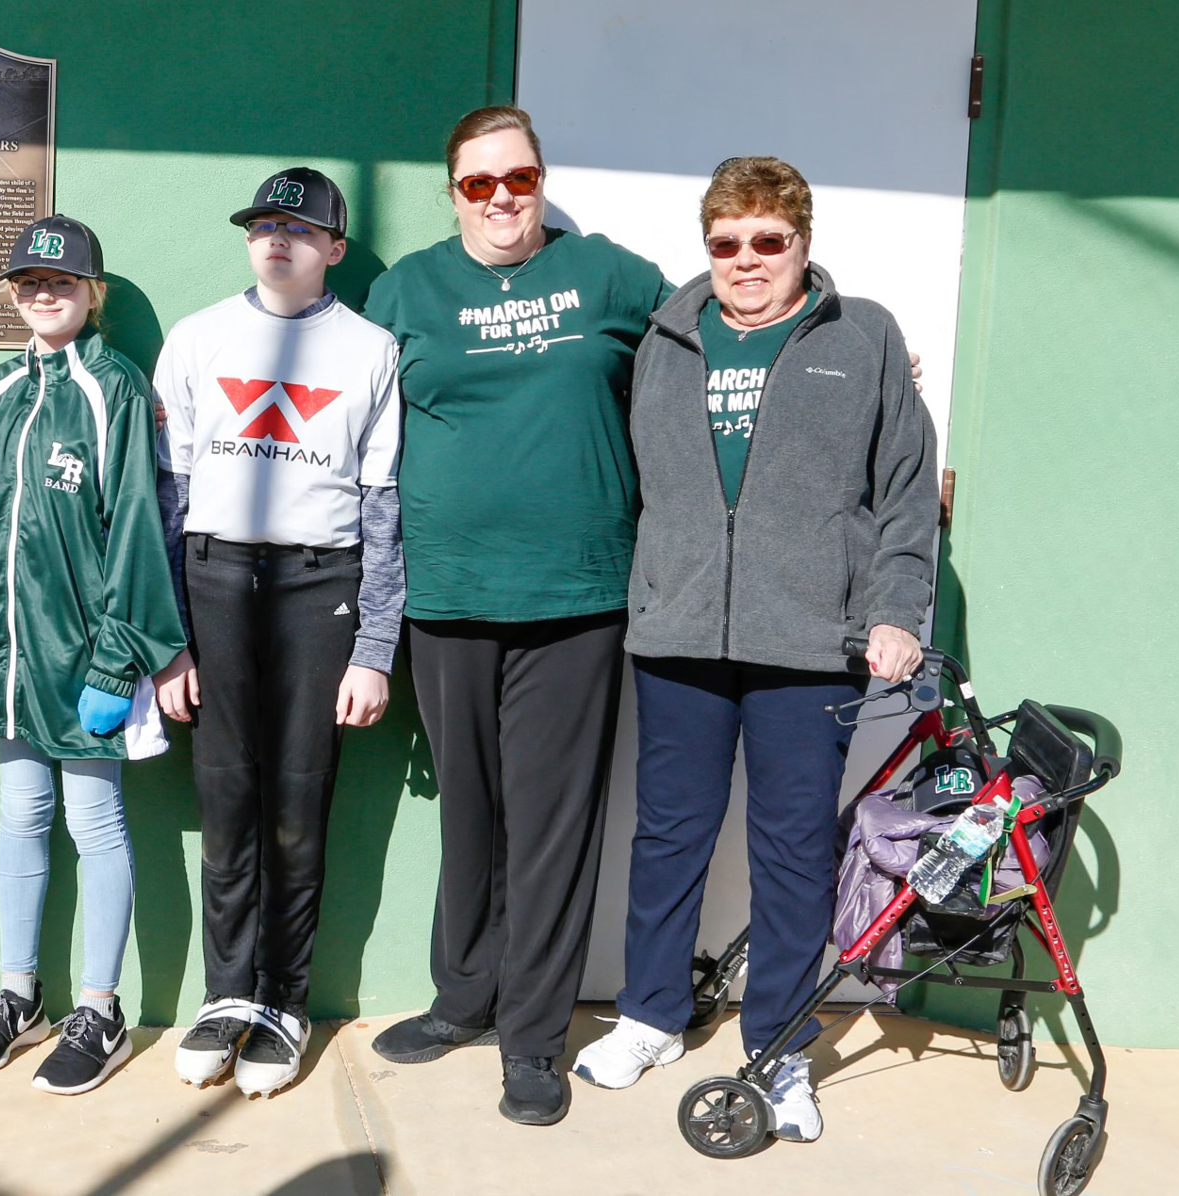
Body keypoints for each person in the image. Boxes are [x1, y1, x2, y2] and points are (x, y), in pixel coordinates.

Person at [572, 156, 936, 1143]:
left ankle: (776, 1046)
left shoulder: (858, 336)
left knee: (788, 853)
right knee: (666, 834)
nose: (744, 260)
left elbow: (902, 494)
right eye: (724, 242)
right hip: (679, 633)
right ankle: (648, 1010)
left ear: (801, 243)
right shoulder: (663, 338)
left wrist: (897, 610)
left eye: (766, 240)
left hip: (807, 641)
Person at [360, 106, 672, 1127]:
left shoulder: (608, 277)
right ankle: (463, 998)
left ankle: (532, 1037)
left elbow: (717, 340)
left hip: (573, 598)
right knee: (469, 813)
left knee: (549, 828)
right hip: (445, 596)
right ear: (451, 192)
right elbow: (351, 414)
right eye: (477, 183)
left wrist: (837, 346)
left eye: (518, 177)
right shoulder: (404, 288)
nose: (500, 198)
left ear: (540, 179)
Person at [149, 168, 404, 1097]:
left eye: (299, 227)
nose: (276, 238)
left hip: (317, 583)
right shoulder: (196, 337)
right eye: (263, 223)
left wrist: (374, 649)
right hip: (215, 581)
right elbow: (165, 501)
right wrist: (169, 640)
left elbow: (383, 509)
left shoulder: (371, 350)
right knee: (225, 799)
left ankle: (284, 1002)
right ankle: (225, 997)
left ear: (334, 247)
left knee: (298, 804)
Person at [0, 215, 187, 1095]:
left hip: (85, 655)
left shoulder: (114, 387)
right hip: (6, 654)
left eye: (62, 282)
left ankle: (101, 1008)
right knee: (20, 813)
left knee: (95, 822)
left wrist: (120, 656)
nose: (44, 294)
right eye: (28, 283)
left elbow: (135, 529)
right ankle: (20, 996)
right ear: (13, 293)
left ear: (94, 293)